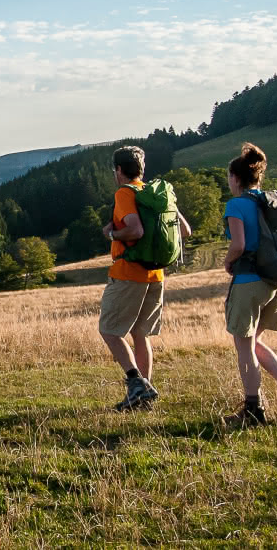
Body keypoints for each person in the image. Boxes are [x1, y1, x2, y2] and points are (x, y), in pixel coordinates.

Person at [221, 142, 277, 425]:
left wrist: (228, 262)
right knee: (256, 341)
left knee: (245, 347)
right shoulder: (275, 202)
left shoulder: (236, 204)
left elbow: (238, 244)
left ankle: (254, 410)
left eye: (229, 177)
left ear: (236, 178)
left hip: (249, 282)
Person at [99, 145, 189, 411]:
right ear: (141, 168)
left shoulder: (125, 193)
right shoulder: (156, 194)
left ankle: (136, 382)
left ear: (118, 170)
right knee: (141, 334)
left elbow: (135, 230)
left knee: (110, 330)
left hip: (129, 272)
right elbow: (185, 230)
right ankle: (143, 396)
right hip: (156, 273)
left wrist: (112, 234)